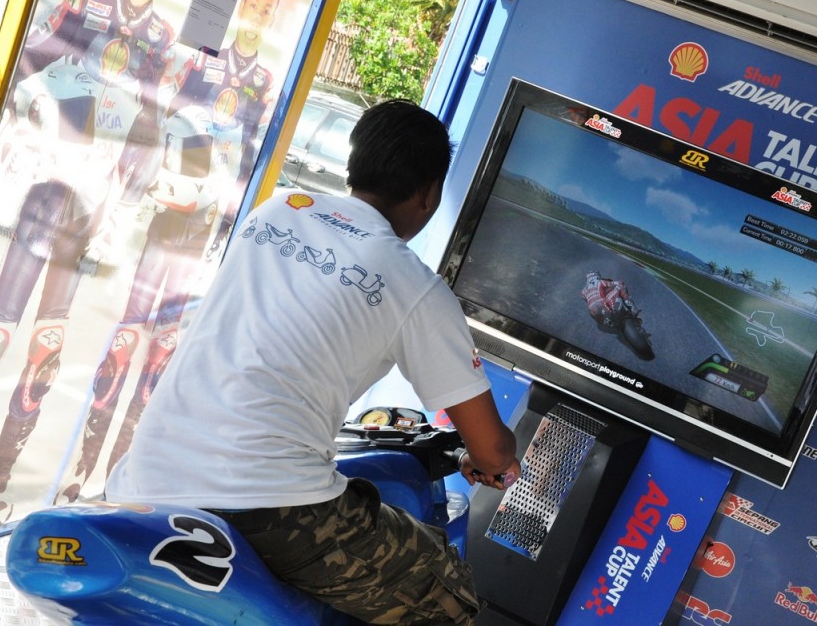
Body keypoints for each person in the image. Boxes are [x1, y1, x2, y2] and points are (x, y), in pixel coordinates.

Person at [105, 99, 522, 624]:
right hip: (266, 502)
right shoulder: (412, 283)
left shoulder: (276, 212)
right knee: (447, 595)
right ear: (429, 193)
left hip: (146, 477)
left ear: (355, 164)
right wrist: (493, 464)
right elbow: (491, 445)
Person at [60, 0, 285, 502]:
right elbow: (155, 120)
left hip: (203, 234)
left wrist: (227, 226)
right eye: (250, 4)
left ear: (271, 20)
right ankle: (80, 472)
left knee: (162, 359)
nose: (254, 15)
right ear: (239, 8)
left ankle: (123, 480)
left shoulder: (265, 84)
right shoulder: (198, 61)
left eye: (264, 10)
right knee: (125, 341)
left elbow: (250, 157)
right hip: (163, 221)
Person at [0, 0, 176, 497]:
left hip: (92, 205)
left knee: (46, 343)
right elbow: (24, 65)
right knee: (2, 326)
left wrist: (125, 200)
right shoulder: (82, 3)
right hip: (43, 191)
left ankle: (3, 475)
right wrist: (39, 132)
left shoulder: (162, 40)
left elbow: (154, 124)